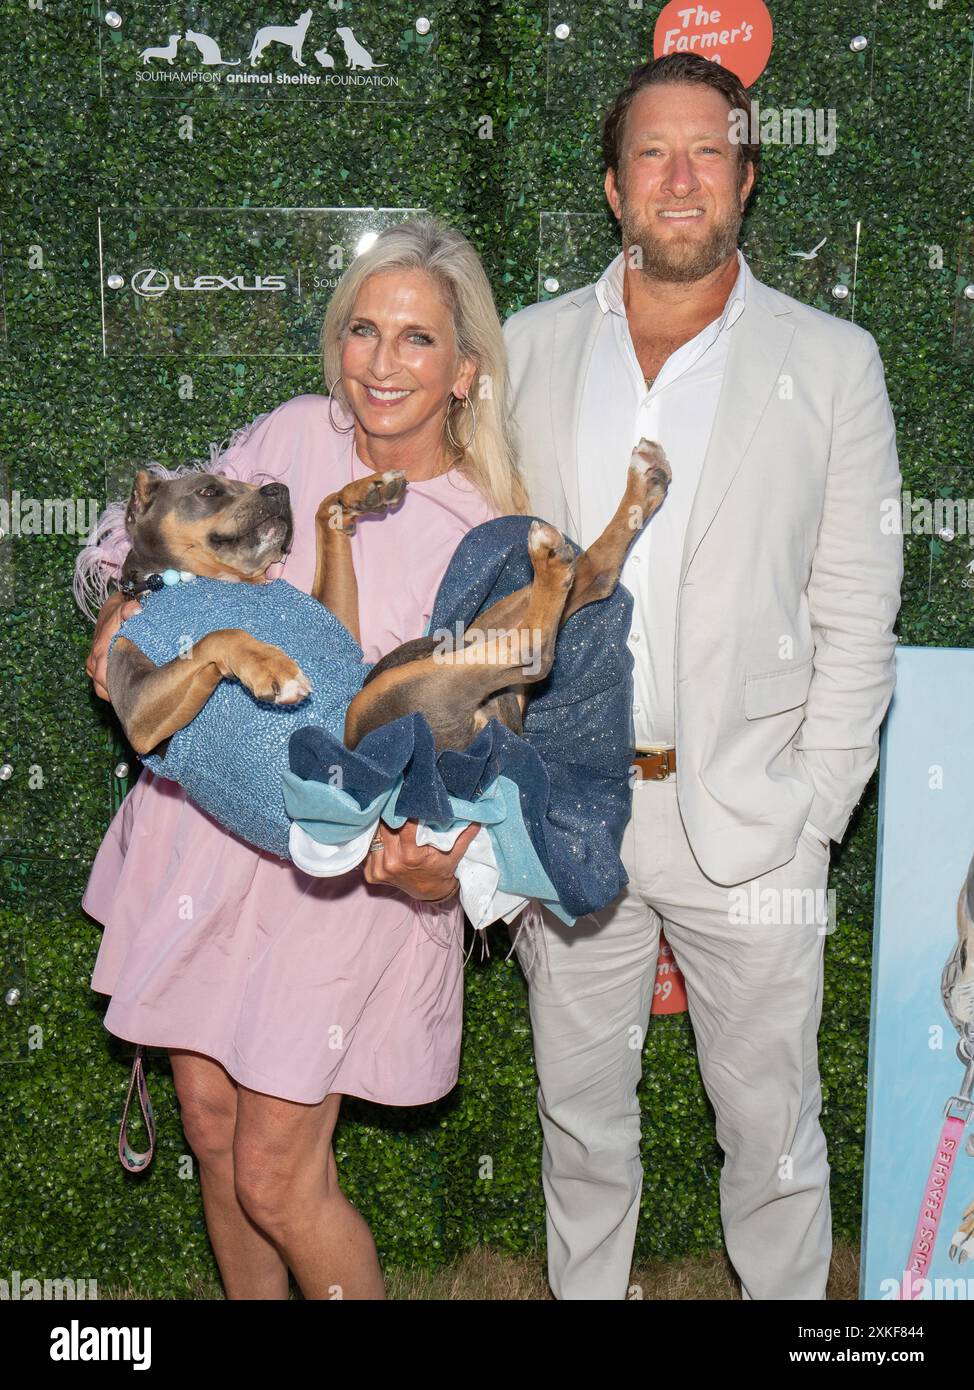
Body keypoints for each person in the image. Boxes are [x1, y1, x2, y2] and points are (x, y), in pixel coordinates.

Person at [498, 54, 904, 1299]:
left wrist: (817, 803)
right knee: (579, 1126)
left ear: (744, 174)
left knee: (774, 1136)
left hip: (753, 818)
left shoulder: (832, 361)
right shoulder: (522, 350)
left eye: (707, 152)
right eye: (651, 156)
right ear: (613, 190)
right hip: (570, 809)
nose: (680, 179)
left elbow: (854, 601)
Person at [79, 216, 529, 1300]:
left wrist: (452, 858)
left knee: (281, 1177)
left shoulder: (493, 532)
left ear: (466, 368)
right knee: (214, 1128)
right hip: (202, 839)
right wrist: (122, 607)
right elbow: (126, 536)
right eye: (362, 331)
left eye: (417, 340)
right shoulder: (287, 438)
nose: (381, 363)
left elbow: (495, 742)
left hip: (342, 874)